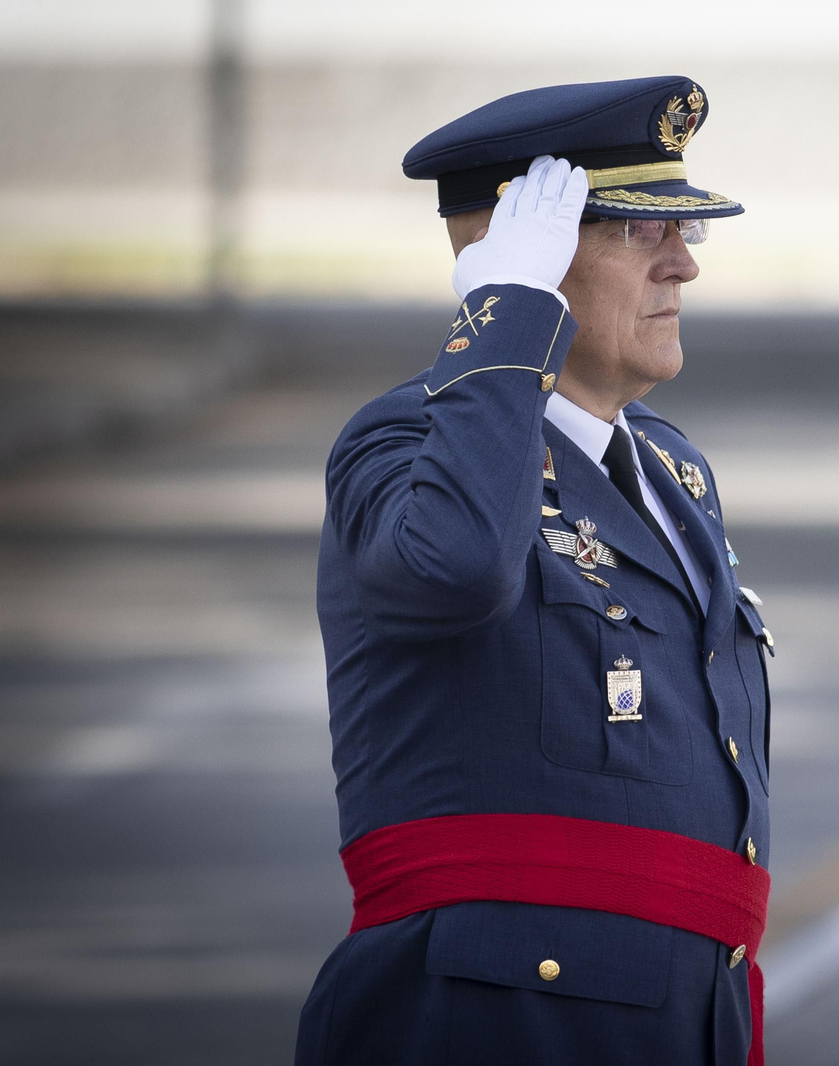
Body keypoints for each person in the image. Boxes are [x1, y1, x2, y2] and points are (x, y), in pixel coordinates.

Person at [294, 77, 775, 1066]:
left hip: (680, 1010)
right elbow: (457, 570)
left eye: (684, 235)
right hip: (499, 1013)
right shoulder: (410, 436)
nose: (683, 265)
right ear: (524, 255)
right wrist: (507, 316)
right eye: (640, 235)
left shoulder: (672, 467)